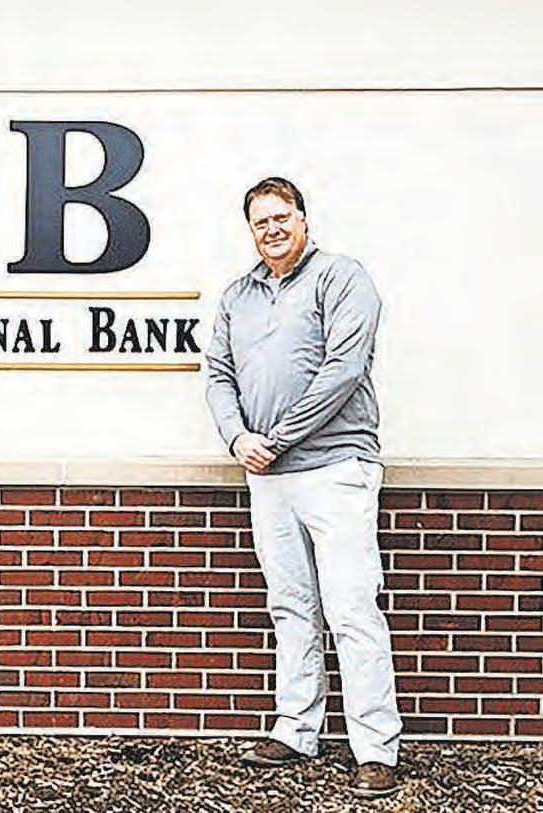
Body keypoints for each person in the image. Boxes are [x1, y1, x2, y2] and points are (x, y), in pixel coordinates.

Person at [205, 178, 402, 799]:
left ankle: (375, 749)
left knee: (351, 607)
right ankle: (296, 729)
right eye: (260, 221)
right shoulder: (237, 296)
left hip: (335, 467)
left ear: (303, 219)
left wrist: (279, 436)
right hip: (267, 474)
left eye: (281, 217)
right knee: (290, 605)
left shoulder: (341, 278)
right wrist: (239, 438)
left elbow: (343, 370)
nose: (272, 229)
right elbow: (217, 374)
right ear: (251, 230)